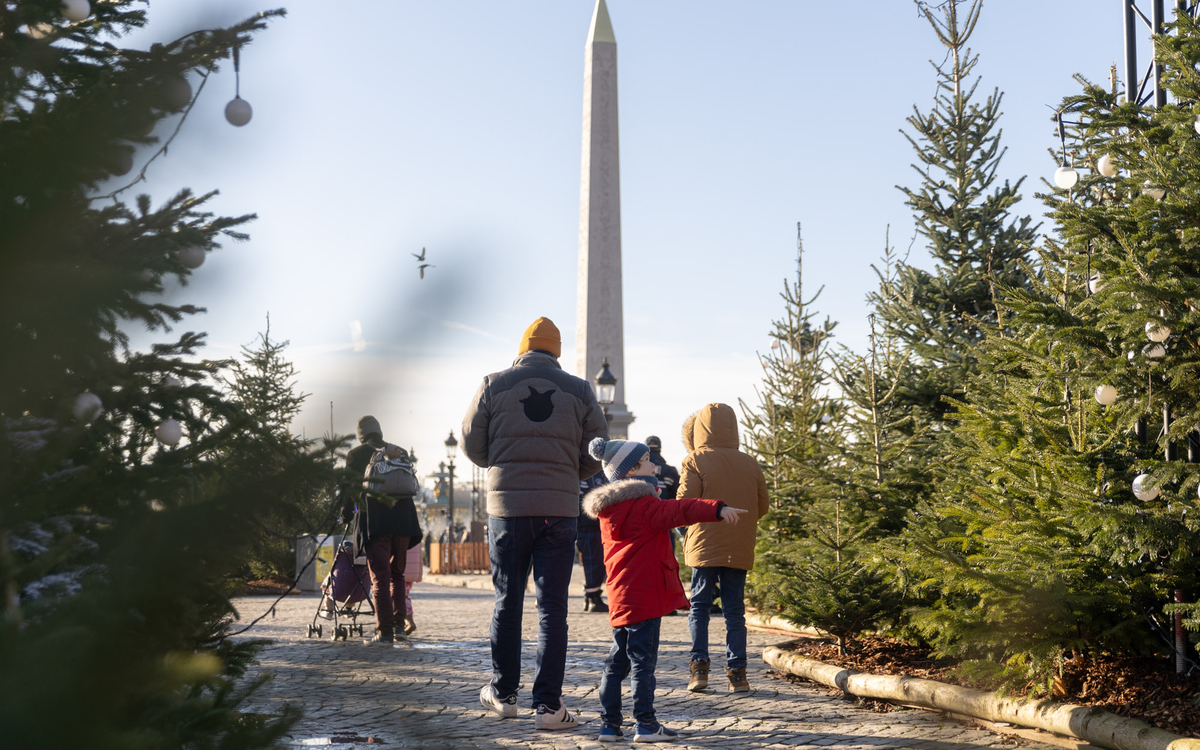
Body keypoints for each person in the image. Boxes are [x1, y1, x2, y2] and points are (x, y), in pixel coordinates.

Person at [462, 316, 608, 731]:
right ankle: (548, 706)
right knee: (552, 609)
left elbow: (471, 441)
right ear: (556, 351)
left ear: (523, 348)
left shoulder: (493, 384)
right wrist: (568, 473)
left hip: (507, 508)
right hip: (558, 509)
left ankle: (504, 693)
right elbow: (596, 451)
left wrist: (499, 463)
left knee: (507, 601)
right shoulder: (581, 390)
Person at [582, 437, 744, 743]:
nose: (654, 465)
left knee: (617, 662)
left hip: (620, 597)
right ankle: (645, 724)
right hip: (645, 597)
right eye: (646, 461)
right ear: (630, 471)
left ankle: (609, 725)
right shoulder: (644, 505)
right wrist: (718, 508)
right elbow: (680, 510)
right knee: (643, 663)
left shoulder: (609, 510)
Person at [678, 403, 769, 693]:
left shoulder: (695, 459)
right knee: (735, 611)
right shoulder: (750, 462)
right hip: (739, 543)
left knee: (699, 608)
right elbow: (762, 506)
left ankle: (699, 670)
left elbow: (685, 504)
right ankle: (738, 674)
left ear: (700, 429)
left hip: (704, 543)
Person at [343, 416, 423, 646]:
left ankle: (384, 632)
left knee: (379, 577)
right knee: (397, 575)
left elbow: (349, 489)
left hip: (376, 521)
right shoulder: (399, 451)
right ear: (379, 432)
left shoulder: (356, 455)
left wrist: (346, 513)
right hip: (404, 520)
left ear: (361, 435)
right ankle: (398, 626)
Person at [578, 473, 609, 613]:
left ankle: (592, 595)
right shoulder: (585, 471)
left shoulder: (601, 472)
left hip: (595, 523)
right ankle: (592, 598)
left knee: (596, 561)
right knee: (593, 561)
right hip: (586, 523)